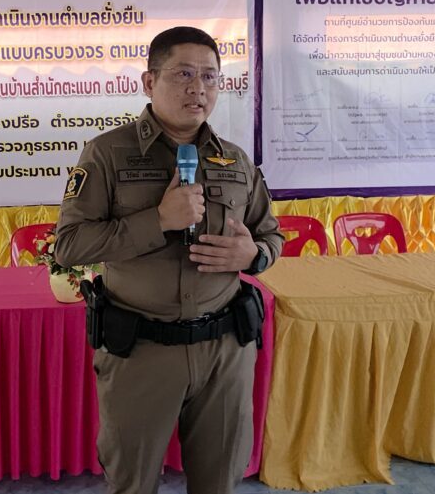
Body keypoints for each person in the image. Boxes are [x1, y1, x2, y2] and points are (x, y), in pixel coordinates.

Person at [54, 26, 283, 494]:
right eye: (183, 74)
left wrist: (254, 255)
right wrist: (157, 220)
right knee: (133, 482)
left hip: (225, 350)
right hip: (142, 350)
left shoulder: (236, 161)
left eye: (209, 76)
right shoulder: (107, 154)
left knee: (219, 483)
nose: (198, 88)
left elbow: (270, 236)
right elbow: (70, 245)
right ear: (149, 81)